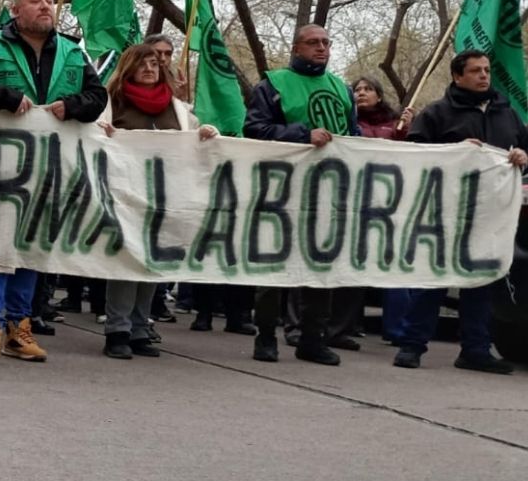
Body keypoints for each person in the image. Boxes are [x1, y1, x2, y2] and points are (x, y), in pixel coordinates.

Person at [0, 0, 107, 365]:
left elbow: (98, 97)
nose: (46, 6)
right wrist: (4, 98)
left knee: (31, 247)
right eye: (35, 1)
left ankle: (20, 328)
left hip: (47, 170)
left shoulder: (72, 52)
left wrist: (72, 106)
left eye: (50, 1)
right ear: (16, 10)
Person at [391, 51, 527, 375]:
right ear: (457, 76)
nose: (484, 76)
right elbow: (414, 154)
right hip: (446, 212)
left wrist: (523, 155)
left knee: (481, 281)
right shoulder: (438, 113)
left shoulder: (506, 113)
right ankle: (412, 345)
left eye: (487, 70)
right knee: (436, 279)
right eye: (476, 70)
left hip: (491, 214)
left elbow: (526, 147)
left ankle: (475, 350)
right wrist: (453, 152)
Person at [244, 23, 358, 366]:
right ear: (296, 48)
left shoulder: (341, 88)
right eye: (313, 43)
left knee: (321, 265)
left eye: (326, 42)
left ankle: (312, 338)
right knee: (274, 265)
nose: (321, 48)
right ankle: (266, 336)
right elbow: (254, 130)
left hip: (328, 191)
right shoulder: (273, 85)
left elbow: (353, 135)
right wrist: (301, 135)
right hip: (283, 190)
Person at [97, 44, 219, 358]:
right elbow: (94, 137)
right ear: (128, 68)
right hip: (126, 195)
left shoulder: (176, 107)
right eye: (142, 64)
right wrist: (102, 133)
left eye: (154, 63)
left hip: (165, 196)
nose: (150, 68)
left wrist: (204, 133)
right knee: (126, 262)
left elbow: (192, 137)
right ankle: (117, 330)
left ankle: (140, 329)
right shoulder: (114, 103)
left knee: (152, 262)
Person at [352, 75, 415, 343]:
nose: (361, 93)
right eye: (357, 89)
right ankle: (346, 325)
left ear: (379, 95)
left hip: (391, 203)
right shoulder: (347, 122)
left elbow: (411, 155)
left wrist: (407, 130)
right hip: (355, 202)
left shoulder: (395, 125)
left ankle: (397, 329)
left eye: (368, 89)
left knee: (393, 264)